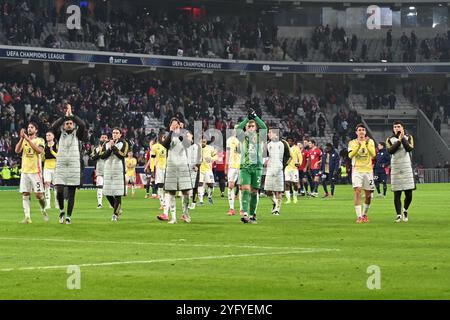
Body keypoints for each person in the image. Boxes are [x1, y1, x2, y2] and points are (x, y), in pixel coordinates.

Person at [52, 104, 87, 225]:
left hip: (73, 166)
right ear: (63, 125)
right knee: (59, 190)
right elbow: (53, 127)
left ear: (73, 125)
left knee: (72, 193)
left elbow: (82, 125)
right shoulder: (59, 134)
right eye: (66, 123)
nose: (68, 125)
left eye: (70, 123)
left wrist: (72, 115)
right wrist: (64, 117)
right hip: (61, 165)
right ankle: (62, 210)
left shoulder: (78, 134)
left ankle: (68, 216)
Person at [157, 118, 193, 224]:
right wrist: (172, 132)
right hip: (171, 166)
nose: (174, 126)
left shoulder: (185, 134)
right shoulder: (169, 135)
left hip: (183, 165)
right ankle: (173, 218)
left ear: (180, 125)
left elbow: (188, 144)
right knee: (171, 191)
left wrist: (180, 133)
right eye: (172, 124)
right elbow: (165, 145)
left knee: (185, 191)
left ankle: (185, 215)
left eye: (176, 124)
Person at [237, 108, 267, 224]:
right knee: (245, 189)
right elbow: (239, 128)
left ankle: (252, 214)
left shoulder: (260, 136)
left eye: (252, 126)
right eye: (248, 126)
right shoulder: (242, 136)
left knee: (254, 191)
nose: (250, 128)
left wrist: (255, 117)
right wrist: (247, 119)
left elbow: (264, 127)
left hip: (257, 167)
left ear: (255, 128)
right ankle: (244, 213)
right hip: (245, 167)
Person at [15, 123, 47, 224]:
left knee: (38, 195)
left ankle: (43, 208)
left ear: (36, 130)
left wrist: (28, 140)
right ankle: (27, 217)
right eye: (28, 127)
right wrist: (21, 138)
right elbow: (17, 150)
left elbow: (39, 151)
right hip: (25, 171)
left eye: (31, 127)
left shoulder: (40, 140)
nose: (29, 129)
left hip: (35, 171)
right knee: (25, 193)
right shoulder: (24, 140)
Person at [386, 121, 415, 223]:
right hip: (396, 167)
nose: (397, 128)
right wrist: (398, 141)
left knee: (409, 193)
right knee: (397, 193)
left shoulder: (409, 137)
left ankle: (405, 210)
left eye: (399, 127)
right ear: (393, 129)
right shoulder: (389, 139)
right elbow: (391, 151)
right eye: (395, 127)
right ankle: (398, 215)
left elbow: (409, 148)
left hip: (406, 166)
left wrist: (402, 138)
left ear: (403, 128)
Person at [348, 124, 376, 223]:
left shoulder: (371, 141)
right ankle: (359, 216)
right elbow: (350, 155)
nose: (361, 131)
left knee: (368, 196)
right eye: (359, 130)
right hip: (357, 170)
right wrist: (359, 145)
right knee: (358, 191)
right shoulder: (352, 142)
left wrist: (367, 144)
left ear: (365, 132)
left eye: (363, 130)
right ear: (356, 132)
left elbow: (373, 154)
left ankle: (364, 214)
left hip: (368, 171)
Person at [101, 128, 129, 222]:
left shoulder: (124, 143)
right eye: (113, 133)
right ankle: (117, 208)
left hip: (119, 170)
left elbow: (123, 155)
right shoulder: (106, 143)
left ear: (120, 134)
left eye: (117, 133)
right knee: (107, 192)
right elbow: (102, 155)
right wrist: (109, 148)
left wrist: (114, 147)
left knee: (118, 193)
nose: (115, 134)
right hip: (108, 170)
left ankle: (115, 214)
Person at [264, 129, 291, 215]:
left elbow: (289, 156)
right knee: (267, 191)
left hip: (279, 169)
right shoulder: (268, 144)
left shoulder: (283, 143)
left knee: (278, 191)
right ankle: (275, 202)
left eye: (270, 133)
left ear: (275, 134)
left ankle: (277, 209)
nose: (268, 134)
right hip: (270, 169)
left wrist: (283, 165)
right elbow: (265, 155)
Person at [226, 127, 242, 216]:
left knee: (241, 187)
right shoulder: (230, 140)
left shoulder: (244, 140)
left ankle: (242, 209)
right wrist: (226, 165)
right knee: (230, 186)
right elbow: (228, 153)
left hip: (241, 166)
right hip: (232, 166)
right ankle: (231, 209)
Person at [148, 134, 167, 212]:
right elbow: (152, 159)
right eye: (163, 137)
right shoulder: (155, 147)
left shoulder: (168, 146)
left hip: (168, 168)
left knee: (167, 188)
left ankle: (166, 203)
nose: (165, 138)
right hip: (159, 168)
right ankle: (162, 204)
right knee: (160, 186)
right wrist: (152, 169)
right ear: (160, 138)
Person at [90, 134, 108, 208]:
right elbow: (93, 158)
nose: (104, 139)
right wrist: (99, 152)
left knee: (110, 187)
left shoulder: (110, 148)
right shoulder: (96, 148)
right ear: (100, 139)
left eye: (105, 137)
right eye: (102, 137)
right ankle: (99, 203)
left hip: (109, 169)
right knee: (100, 186)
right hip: (100, 169)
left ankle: (112, 203)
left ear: (107, 139)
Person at [198, 138, 217, 205]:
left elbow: (216, 156)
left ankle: (210, 197)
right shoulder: (197, 148)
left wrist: (212, 159)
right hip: (199, 169)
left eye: (204, 142)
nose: (203, 143)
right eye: (201, 142)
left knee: (211, 184)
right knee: (200, 184)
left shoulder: (210, 148)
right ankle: (201, 201)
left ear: (206, 142)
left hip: (208, 169)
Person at [43, 131, 58, 209]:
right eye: (46, 135)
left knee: (56, 186)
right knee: (47, 184)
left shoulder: (56, 145)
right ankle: (48, 204)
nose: (47, 136)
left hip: (55, 167)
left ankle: (57, 203)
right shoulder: (44, 146)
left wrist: (52, 151)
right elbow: (42, 159)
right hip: (46, 167)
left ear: (53, 136)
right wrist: (42, 155)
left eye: (49, 135)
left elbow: (59, 156)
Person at [186, 131, 201, 210]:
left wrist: (197, 166)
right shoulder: (185, 146)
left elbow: (199, 157)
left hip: (195, 168)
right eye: (186, 136)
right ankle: (187, 202)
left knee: (195, 187)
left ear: (191, 136)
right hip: (186, 168)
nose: (187, 137)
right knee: (187, 186)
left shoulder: (197, 146)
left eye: (188, 135)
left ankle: (194, 203)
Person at [284, 137, 302, 204]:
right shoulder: (285, 148)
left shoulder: (296, 148)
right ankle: (288, 199)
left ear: (293, 142)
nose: (289, 142)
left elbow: (300, 157)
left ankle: (295, 197)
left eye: (290, 141)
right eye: (288, 141)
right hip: (287, 168)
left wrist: (299, 163)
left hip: (294, 168)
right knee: (287, 183)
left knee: (295, 184)